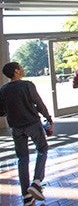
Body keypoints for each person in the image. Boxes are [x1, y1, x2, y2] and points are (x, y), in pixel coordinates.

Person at [0, 62, 53, 205]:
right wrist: (48, 118)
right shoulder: (27, 85)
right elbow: (39, 103)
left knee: (22, 159)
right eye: (21, 68)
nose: (23, 69)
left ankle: (26, 196)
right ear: (16, 71)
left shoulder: (3, 90)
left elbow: (1, 111)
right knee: (42, 149)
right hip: (32, 124)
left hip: (16, 128)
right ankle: (36, 182)